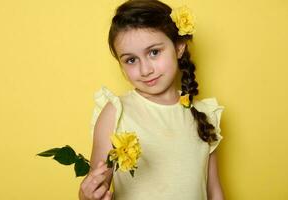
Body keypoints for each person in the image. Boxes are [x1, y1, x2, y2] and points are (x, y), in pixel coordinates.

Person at [79, 0, 225, 199]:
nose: (145, 70)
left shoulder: (205, 115)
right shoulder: (116, 112)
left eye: (154, 52)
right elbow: (96, 185)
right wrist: (87, 195)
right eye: (131, 60)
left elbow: (214, 190)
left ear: (179, 47)